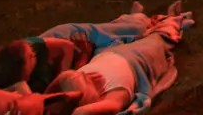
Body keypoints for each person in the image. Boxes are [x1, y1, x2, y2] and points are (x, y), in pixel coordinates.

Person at [46, 10, 193, 115]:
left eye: (83, 74)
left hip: (108, 53)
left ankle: (136, 18)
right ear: (90, 99)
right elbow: (83, 111)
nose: (89, 75)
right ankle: (169, 22)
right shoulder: (113, 96)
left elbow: (65, 77)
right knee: (156, 41)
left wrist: (47, 96)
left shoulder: (78, 79)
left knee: (125, 32)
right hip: (135, 59)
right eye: (87, 80)